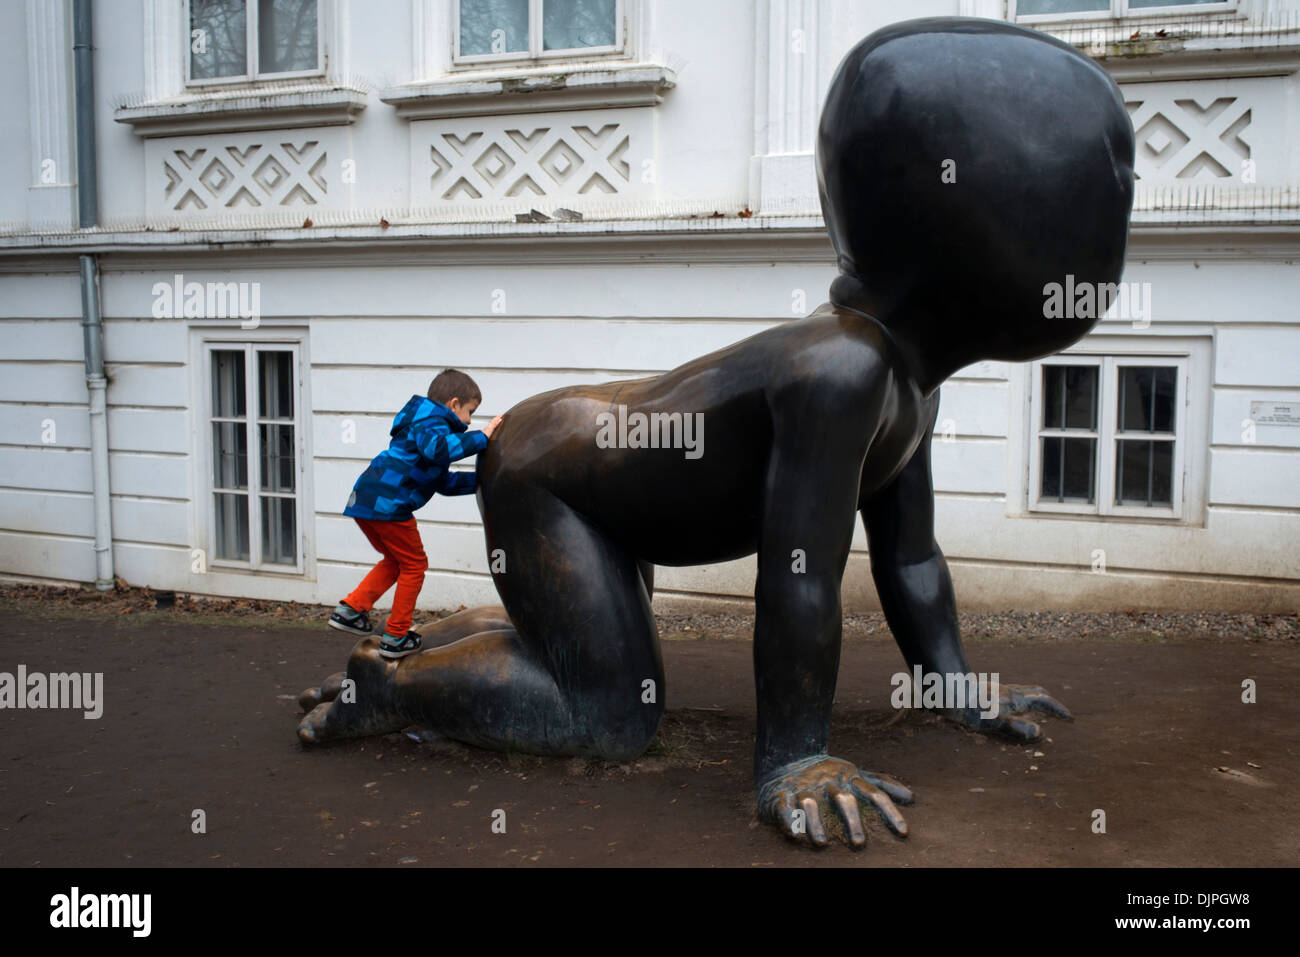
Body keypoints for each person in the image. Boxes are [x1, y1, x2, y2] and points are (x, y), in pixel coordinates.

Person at [328, 369, 504, 658]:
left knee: (395, 561)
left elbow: (443, 482)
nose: (470, 420)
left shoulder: (422, 425)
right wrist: (481, 438)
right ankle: (396, 636)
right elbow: (438, 450)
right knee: (414, 565)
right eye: (470, 412)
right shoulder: (431, 422)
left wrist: (485, 481)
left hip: (368, 501)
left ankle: (350, 610)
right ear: (453, 403)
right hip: (389, 504)